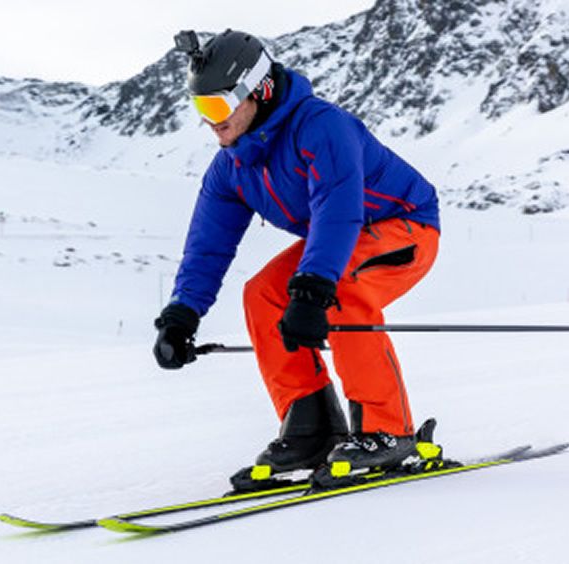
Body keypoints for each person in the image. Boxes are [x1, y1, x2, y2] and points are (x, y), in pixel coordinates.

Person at [153, 30, 442, 488]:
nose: (211, 122)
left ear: (260, 90)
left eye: (218, 106)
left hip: (405, 226)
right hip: (340, 239)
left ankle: (387, 430)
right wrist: (181, 315)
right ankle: (312, 428)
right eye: (201, 108)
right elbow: (208, 246)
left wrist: (313, 288)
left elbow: (338, 210)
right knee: (263, 295)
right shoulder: (232, 166)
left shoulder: (322, 127)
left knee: (340, 286)